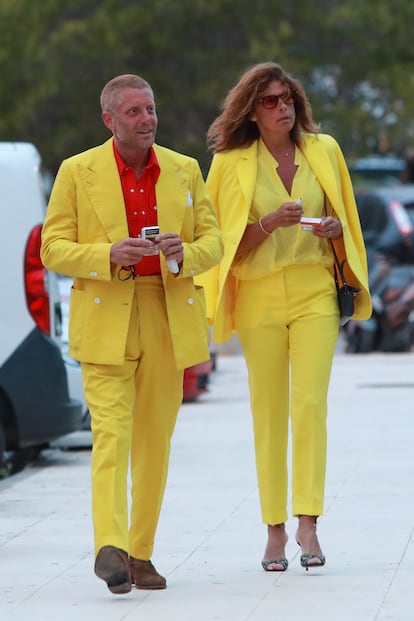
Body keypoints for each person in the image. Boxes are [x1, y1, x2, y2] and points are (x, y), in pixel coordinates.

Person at [41, 74, 223, 593]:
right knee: (112, 436)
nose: (147, 120)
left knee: (153, 445)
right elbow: (52, 248)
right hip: (106, 316)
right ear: (110, 120)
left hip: (167, 314)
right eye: (135, 112)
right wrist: (106, 255)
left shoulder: (184, 170)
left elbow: (213, 239)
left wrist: (183, 251)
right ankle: (111, 548)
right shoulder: (78, 171)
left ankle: (141, 555)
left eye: (151, 109)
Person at [200, 62, 372, 571]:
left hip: (315, 288)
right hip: (259, 295)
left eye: (287, 98)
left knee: (310, 405)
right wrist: (269, 223)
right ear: (251, 111)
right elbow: (221, 243)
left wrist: (334, 228)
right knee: (268, 411)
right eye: (270, 101)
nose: (282, 107)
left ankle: (308, 521)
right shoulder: (230, 163)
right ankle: (273, 529)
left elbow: (348, 223)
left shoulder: (325, 150)